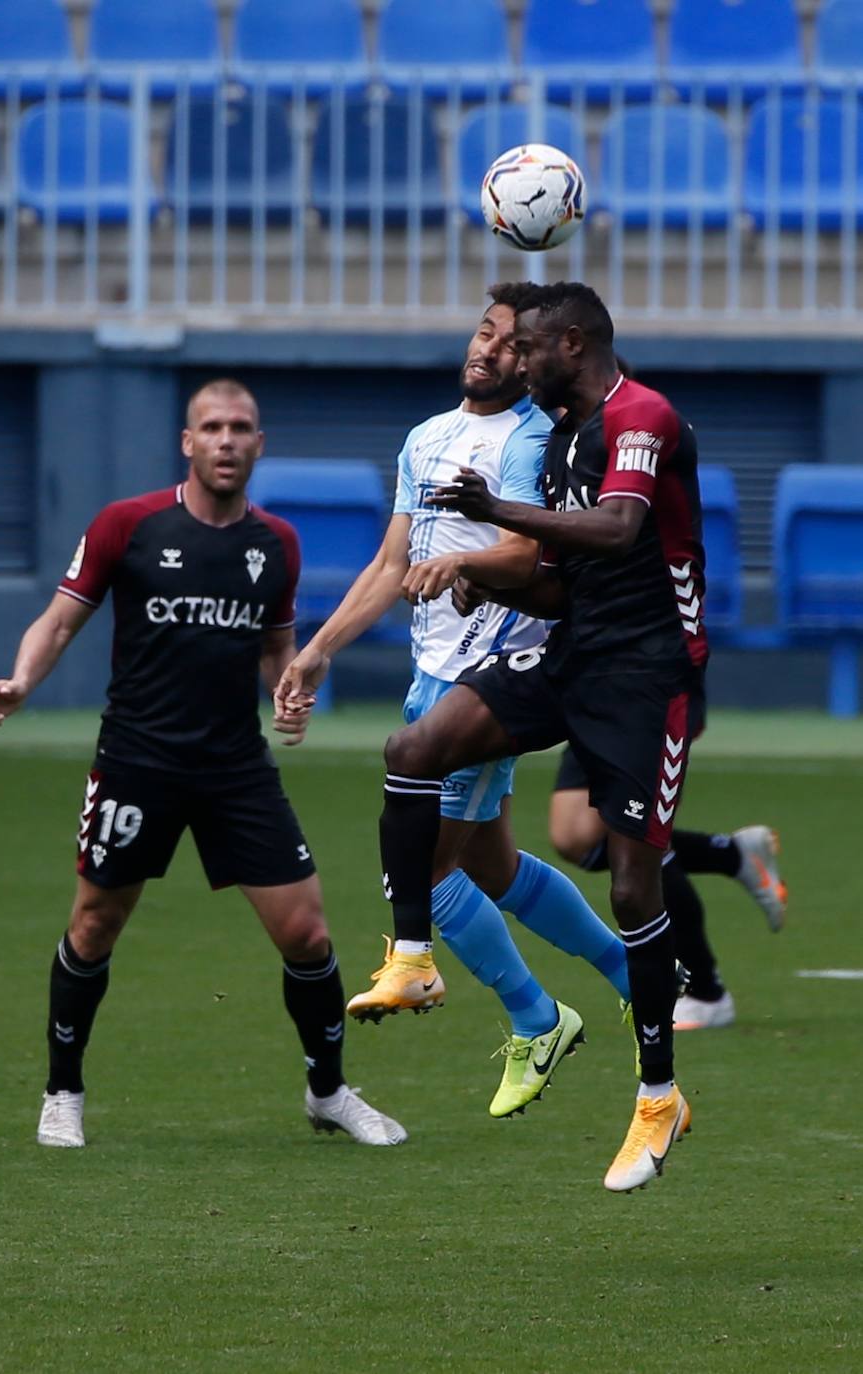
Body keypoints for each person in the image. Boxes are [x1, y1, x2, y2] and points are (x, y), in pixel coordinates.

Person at [330, 280, 709, 1193]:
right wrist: (481, 579)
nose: (514, 361)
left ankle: (657, 1098)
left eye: (528, 348)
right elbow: (557, 584)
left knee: (627, 881)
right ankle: (414, 956)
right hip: (574, 653)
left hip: (648, 675)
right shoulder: (566, 436)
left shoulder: (640, 416)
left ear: (570, 345)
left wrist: (486, 521)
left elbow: (617, 533)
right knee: (414, 750)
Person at [0, 377, 406, 1150]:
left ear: (257, 444)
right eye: (210, 427)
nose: (224, 440)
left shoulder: (275, 542)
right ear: (187, 442)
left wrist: (284, 687)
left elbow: (274, 644)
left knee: (307, 933)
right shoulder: (127, 525)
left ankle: (328, 1091)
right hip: (136, 761)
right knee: (93, 924)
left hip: (234, 768)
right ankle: (62, 1091)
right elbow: (57, 620)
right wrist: (21, 683)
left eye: (239, 427)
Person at [276, 284, 632, 1121]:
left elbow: (524, 546)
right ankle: (628, 972)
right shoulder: (427, 437)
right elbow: (390, 563)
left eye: (510, 342)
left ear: (536, 360)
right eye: (483, 331)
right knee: (488, 866)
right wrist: (319, 649)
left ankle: (534, 1016)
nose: (489, 348)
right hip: (431, 666)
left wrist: (469, 568)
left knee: (423, 872)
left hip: (491, 668)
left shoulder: (533, 438)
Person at [550, 746, 788, 1029]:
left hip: (643, 711)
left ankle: (705, 993)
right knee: (574, 838)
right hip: (586, 709)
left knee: (642, 835)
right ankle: (733, 854)